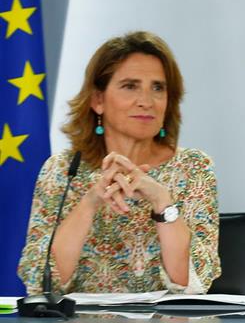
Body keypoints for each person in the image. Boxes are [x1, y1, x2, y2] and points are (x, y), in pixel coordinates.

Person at [18, 31, 219, 294]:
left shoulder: (194, 168)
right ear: (98, 100)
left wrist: (162, 201)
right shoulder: (63, 171)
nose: (146, 101)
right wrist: (90, 203)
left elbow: (192, 282)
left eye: (158, 88)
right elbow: (39, 281)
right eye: (130, 86)